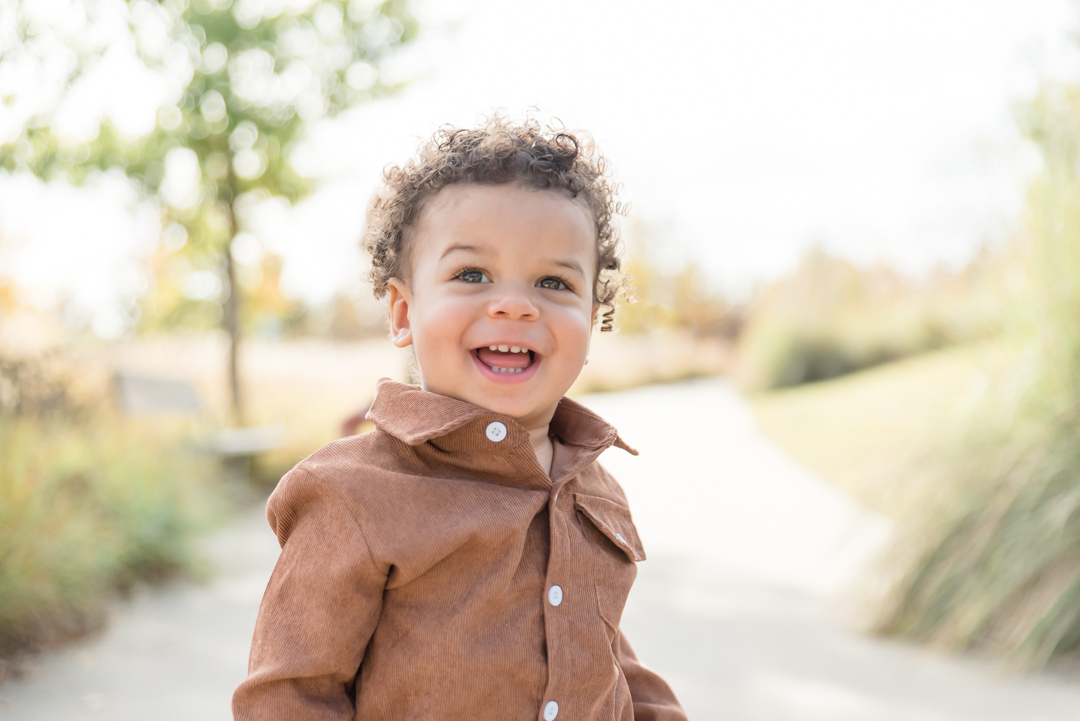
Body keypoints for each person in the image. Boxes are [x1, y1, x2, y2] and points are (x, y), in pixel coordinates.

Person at [232, 117, 687, 721]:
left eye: (554, 281)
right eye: (472, 274)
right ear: (402, 313)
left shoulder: (593, 490)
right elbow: (288, 694)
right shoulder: (354, 496)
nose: (515, 304)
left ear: (593, 318)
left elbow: (597, 655)